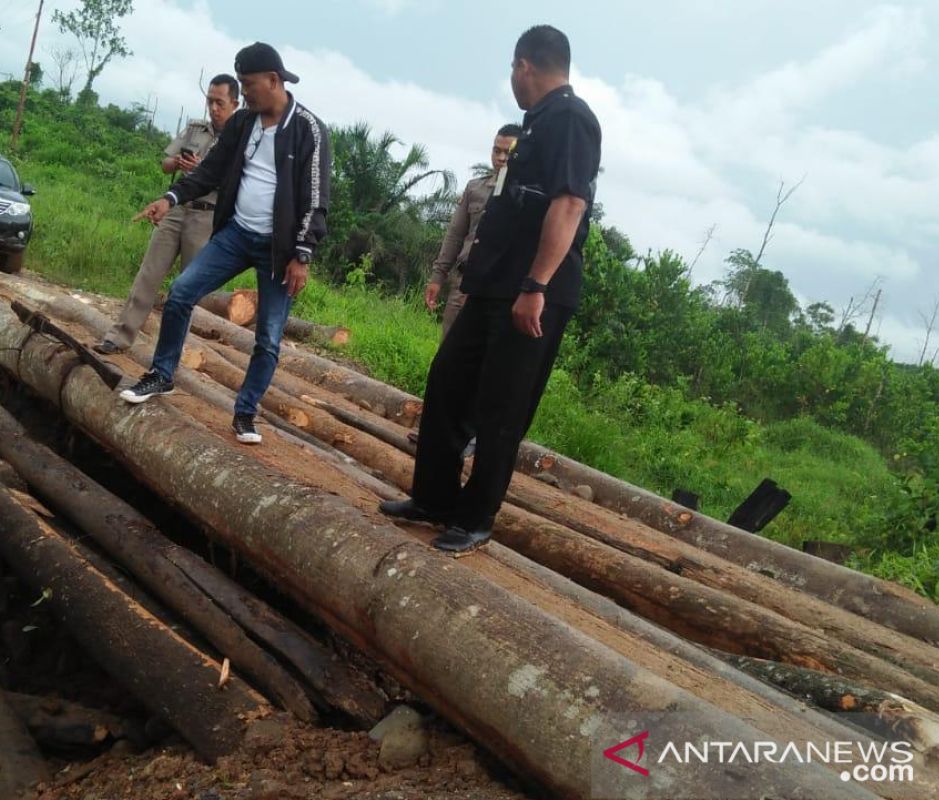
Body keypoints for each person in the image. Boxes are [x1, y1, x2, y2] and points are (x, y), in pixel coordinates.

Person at [380, 25, 601, 553]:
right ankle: (433, 499)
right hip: (492, 286)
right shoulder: (535, 125)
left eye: (512, 70)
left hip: (530, 294)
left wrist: (536, 284)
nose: (512, 79)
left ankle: (476, 520)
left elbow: (570, 205)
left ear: (524, 66)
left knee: (502, 410)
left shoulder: (572, 119)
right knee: (448, 386)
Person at [119, 42, 331, 447]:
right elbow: (212, 170)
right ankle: (162, 375)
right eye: (241, 85)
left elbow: (316, 200)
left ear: (273, 80)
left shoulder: (309, 130)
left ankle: (246, 413)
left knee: (268, 338)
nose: (244, 93)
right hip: (236, 234)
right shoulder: (243, 123)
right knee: (181, 293)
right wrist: (171, 198)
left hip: (279, 251)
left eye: (248, 85)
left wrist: (302, 253)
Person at [94, 74, 241, 355]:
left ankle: (169, 354)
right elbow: (165, 164)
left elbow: (237, 183)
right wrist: (179, 163)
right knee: (149, 274)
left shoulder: (240, 141)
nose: (213, 108)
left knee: (187, 290)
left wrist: (204, 170)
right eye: (210, 101)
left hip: (206, 217)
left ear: (235, 103)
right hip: (176, 210)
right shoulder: (196, 129)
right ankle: (119, 336)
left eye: (219, 103)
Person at [425, 124, 521, 340]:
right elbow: (455, 235)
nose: (502, 158)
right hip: (463, 285)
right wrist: (437, 277)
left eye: (509, 152)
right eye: (497, 151)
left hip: (500, 293)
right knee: (448, 357)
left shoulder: (527, 197)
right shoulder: (475, 189)